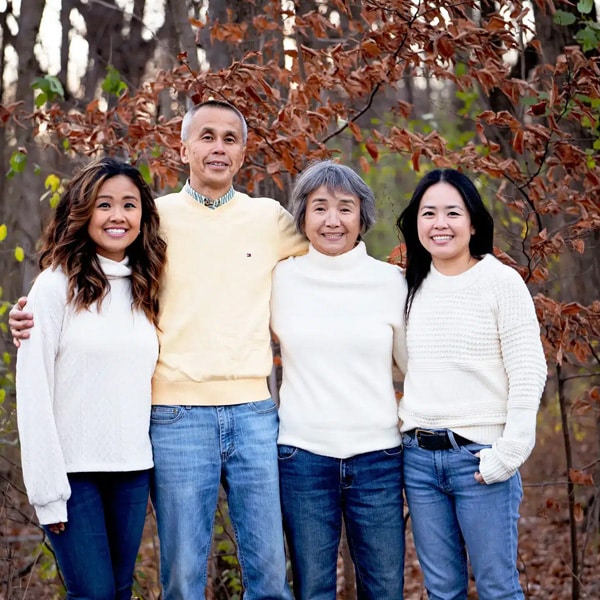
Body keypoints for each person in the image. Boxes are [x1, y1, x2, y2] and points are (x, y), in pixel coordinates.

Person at [10, 100, 306, 599]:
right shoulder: (152, 217)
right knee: (183, 577)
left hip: (255, 411)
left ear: (243, 151)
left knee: (271, 576)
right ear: (183, 146)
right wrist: (28, 319)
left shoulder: (269, 218)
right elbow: (93, 275)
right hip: (175, 415)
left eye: (230, 138)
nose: (218, 147)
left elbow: (331, 253)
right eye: (206, 136)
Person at [15, 157, 167, 599]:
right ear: (82, 213)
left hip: (131, 471)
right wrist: (47, 492)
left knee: (119, 591)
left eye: (129, 205)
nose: (117, 216)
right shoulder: (53, 287)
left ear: (143, 215)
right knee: (95, 594)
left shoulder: (146, 286)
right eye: (104, 205)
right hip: (73, 476)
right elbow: (34, 390)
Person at [396, 168, 547, 599]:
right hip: (419, 462)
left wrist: (510, 453)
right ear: (416, 223)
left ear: (474, 222)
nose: (439, 224)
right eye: (428, 213)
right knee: (442, 591)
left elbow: (528, 368)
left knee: (498, 589)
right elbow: (406, 364)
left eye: (452, 212)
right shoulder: (410, 286)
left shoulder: (500, 282)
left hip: (481, 460)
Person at [270, 160, 407, 599]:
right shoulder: (279, 279)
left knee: (384, 587)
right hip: (303, 457)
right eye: (320, 208)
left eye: (345, 208)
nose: (333, 220)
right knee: (313, 588)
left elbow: (412, 368)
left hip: (378, 458)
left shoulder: (392, 283)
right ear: (303, 217)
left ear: (362, 217)